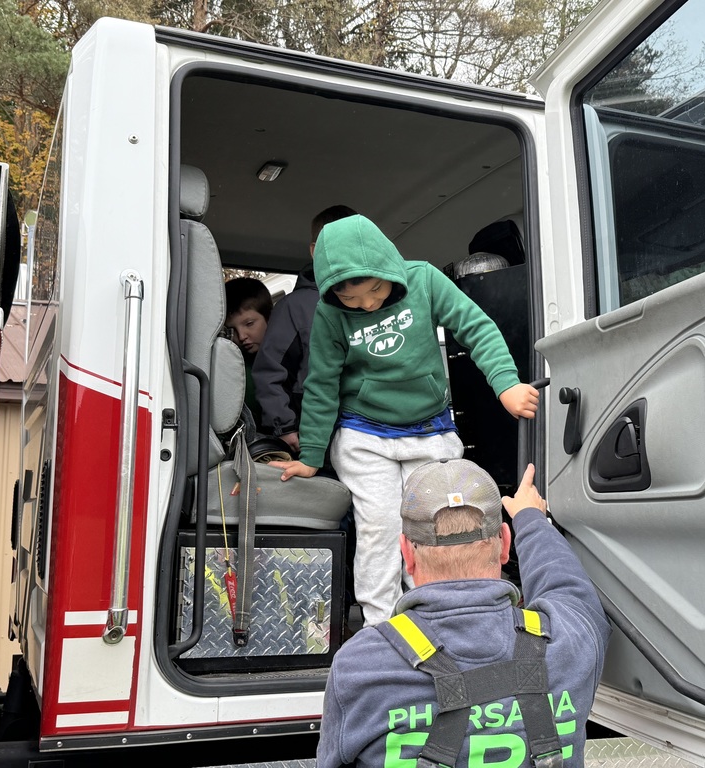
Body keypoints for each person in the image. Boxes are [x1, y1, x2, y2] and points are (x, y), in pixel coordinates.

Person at [271, 214, 540, 626]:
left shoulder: (425, 281)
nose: (368, 304)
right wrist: (310, 454)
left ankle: (434, 616)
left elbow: (477, 328)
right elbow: (322, 383)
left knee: (437, 525)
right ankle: (382, 626)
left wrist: (506, 385)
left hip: (429, 429)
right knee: (379, 526)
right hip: (364, 433)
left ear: (388, 266)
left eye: (375, 289)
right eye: (353, 299)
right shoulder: (330, 315)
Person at [315, 459, 611, 768]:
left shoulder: (361, 665)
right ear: (505, 545)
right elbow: (565, 584)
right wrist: (530, 518)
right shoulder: (570, 641)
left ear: (406, 553)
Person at [252, 204, 357, 453]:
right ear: (315, 250)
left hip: (369, 429)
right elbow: (270, 371)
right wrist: (285, 427)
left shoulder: (376, 299)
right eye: (335, 245)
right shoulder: (294, 307)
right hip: (313, 432)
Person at [224, 276, 273, 429]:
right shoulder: (234, 370)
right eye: (232, 330)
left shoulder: (288, 361)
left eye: (249, 324)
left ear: (270, 317)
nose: (242, 336)